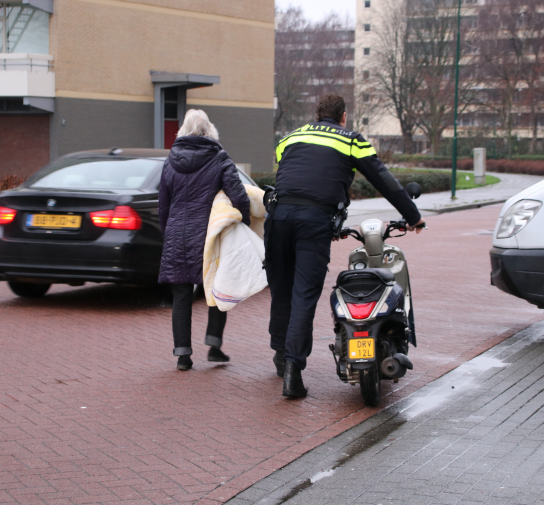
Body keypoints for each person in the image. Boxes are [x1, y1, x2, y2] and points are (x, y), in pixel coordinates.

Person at [266, 94, 425, 398]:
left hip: (279, 217)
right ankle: (293, 371)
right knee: (303, 294)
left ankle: (279, 357)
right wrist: (413, 216)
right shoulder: (350, 140)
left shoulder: (290, 137)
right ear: (343, 117)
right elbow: (384, 180)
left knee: (282, 291)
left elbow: (296, 175)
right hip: (313, 221)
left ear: (317, 115)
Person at [158, 109, 250, 371]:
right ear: (210, 129)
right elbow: (239, 196)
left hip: (177, 235)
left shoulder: (170, 160)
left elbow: (163, 205)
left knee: (181, 295)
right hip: (209, 234)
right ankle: (213, 343)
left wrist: (168, 234)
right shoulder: (219, 158)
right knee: (218, 287)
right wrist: (243, 222)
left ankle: (183, 355)